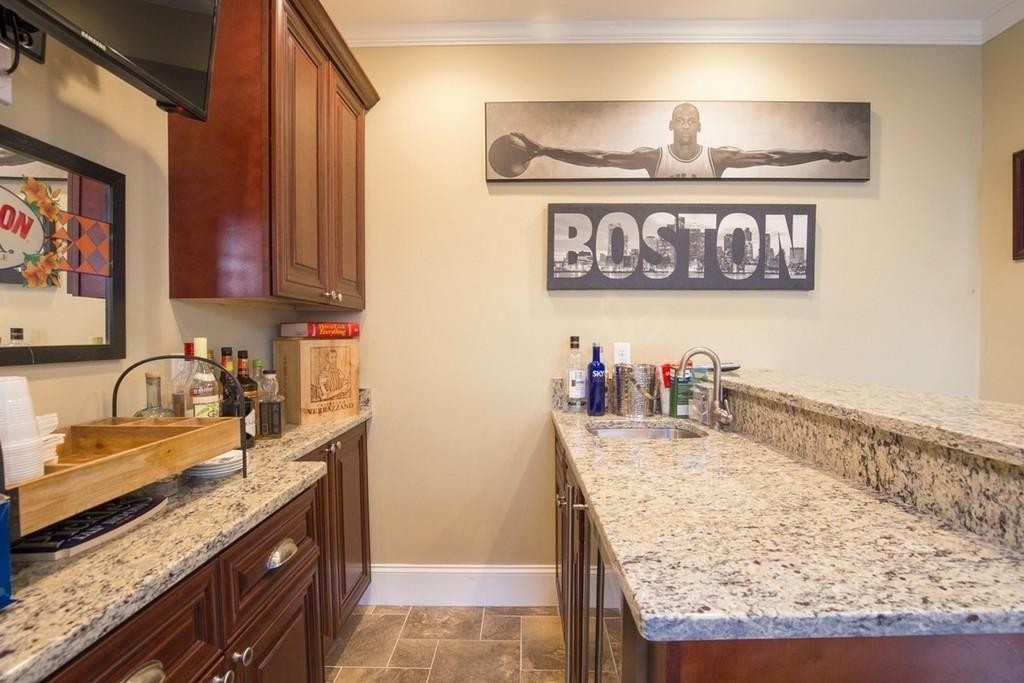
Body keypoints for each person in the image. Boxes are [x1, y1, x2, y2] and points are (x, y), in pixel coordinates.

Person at [510, 102, 866, 179]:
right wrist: (544, 150)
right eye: (679, 119)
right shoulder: (653, 157)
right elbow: (601, 158)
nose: (685, 124)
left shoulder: (719, 157)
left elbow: (773, 157)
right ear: (670, 125)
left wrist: (827, 153)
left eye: (690, 120)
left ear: (699, 125)